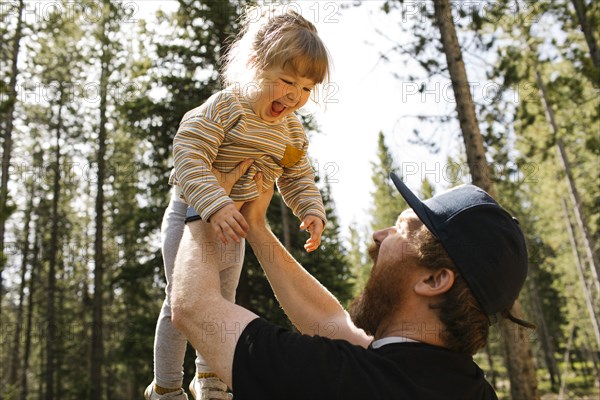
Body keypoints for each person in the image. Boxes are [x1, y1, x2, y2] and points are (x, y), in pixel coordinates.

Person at [170, 165, 533, 400]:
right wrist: (258, 228)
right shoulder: (462, 386)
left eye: (401, 229)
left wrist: (204, 201)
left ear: (435, 279)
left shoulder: (346, 384)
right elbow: (331, 323)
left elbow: (194, 308)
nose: (378, 235)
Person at [145, 6, 331, 400]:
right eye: (286, 81)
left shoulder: (292, 131)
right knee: (182, 300)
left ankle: (209, 377)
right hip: (191, 214)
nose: (295, 96)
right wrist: (213, 203)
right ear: (256, 65)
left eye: (306, 88)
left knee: (221, 301)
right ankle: (165, 386)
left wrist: (310, 209)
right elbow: (189, 150)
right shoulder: (227, 107)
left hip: (237, 225)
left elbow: (297, 175)